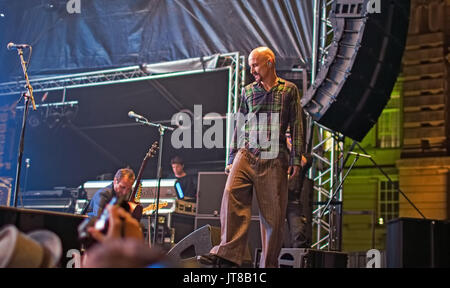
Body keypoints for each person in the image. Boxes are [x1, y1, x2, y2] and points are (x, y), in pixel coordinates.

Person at [198, 47, 304, 268]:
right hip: (246, 153)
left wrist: (295, 159)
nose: (252, 69)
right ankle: (228, 254)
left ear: (269, 63)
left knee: (273, 218)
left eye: (255, 64)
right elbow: (239, 125)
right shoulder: (247, 91)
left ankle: (267, 266)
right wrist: (231, 157)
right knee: (230, 193)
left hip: (274, 158)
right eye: (250, 65)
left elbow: (297, 127)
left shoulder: (289, 90)